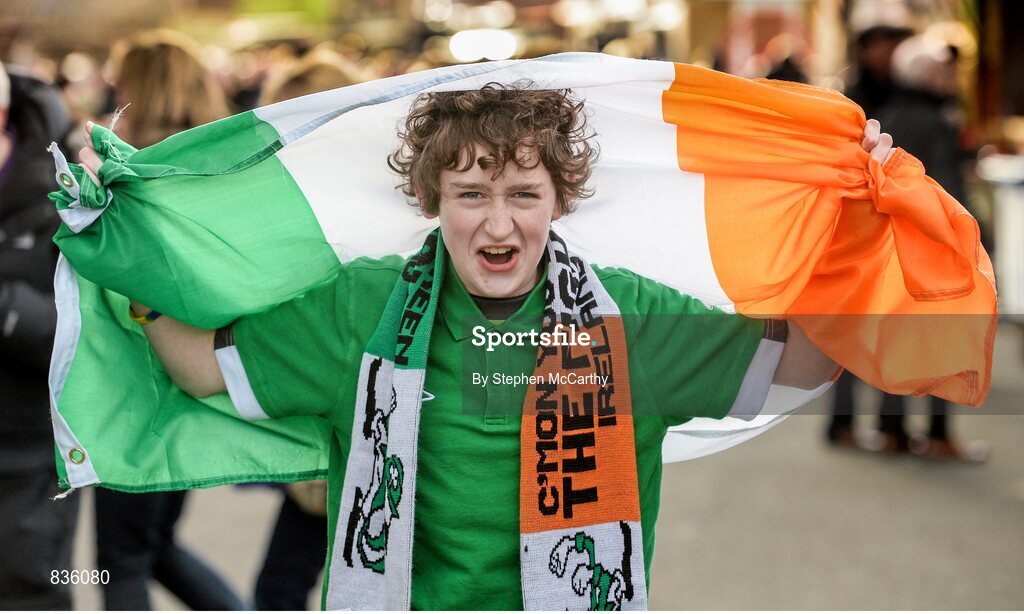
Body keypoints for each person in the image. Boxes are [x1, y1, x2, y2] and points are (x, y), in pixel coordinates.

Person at [79, 83, 893, 609]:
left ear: (559, 203)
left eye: (522, 195)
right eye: (471, 194)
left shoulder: (627, 319)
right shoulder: (362, 304)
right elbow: (204, 368)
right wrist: (137, 268)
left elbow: (804, 362)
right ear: (434, 200)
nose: (497, 224)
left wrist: (860, 231)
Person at [87, 29, 244, 611]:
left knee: (121, 560)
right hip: (199, 376)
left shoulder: (134, 171)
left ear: (141, 86)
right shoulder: (218, 163)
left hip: (136, 381)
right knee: (153, 545)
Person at [856, 35, 988, 462]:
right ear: (929, 74)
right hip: (937, 247)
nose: (951, 79)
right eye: (945, 71)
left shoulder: (887, 115)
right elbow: (950, 191)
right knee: (944, 341)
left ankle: (891, 430)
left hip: (893, 247)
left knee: (897, 339)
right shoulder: (938, 121)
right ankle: (937, 435)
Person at [0, 60, 81, 612]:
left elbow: (91, 334)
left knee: (34, 594)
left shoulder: (65, 190)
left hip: (29, 457)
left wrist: (7, 309)